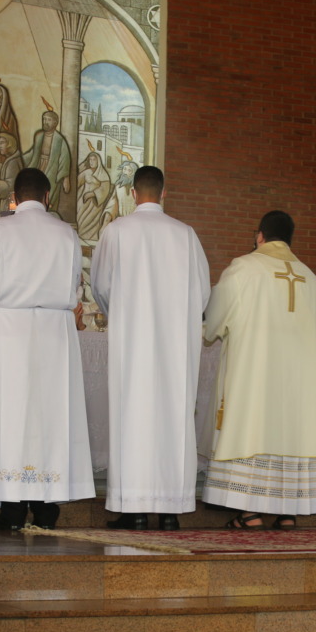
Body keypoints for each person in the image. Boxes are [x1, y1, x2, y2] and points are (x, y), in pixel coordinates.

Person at [0, 168, 94, 529]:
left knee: (9, 414)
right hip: (55, 330)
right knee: (50, 416)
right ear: (47, 197)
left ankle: (12, 509)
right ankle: (46, 508)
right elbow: (75, 283)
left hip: (8, 330)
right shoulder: (66, 234)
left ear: (14, 198)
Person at [91, 166, 210, 531]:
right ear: (164, 192)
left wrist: (119, 313)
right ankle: (171, 511)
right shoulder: (185, 235)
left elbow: (101, 286)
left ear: (132, 193)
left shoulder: (117, 231)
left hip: (132, 343)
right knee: (172, 418)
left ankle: (135, 511)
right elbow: (203, 292)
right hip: (175, 347)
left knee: (133, 418)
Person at [201, 210, 316, 530]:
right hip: (297, 382)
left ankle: (250, 512)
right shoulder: (310, 278)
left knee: (253, 426)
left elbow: (214, 320)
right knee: (291, 430)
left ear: (260, 236)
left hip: (255, 375)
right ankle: (288, 511)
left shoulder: (244, 267)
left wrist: (208, 328)